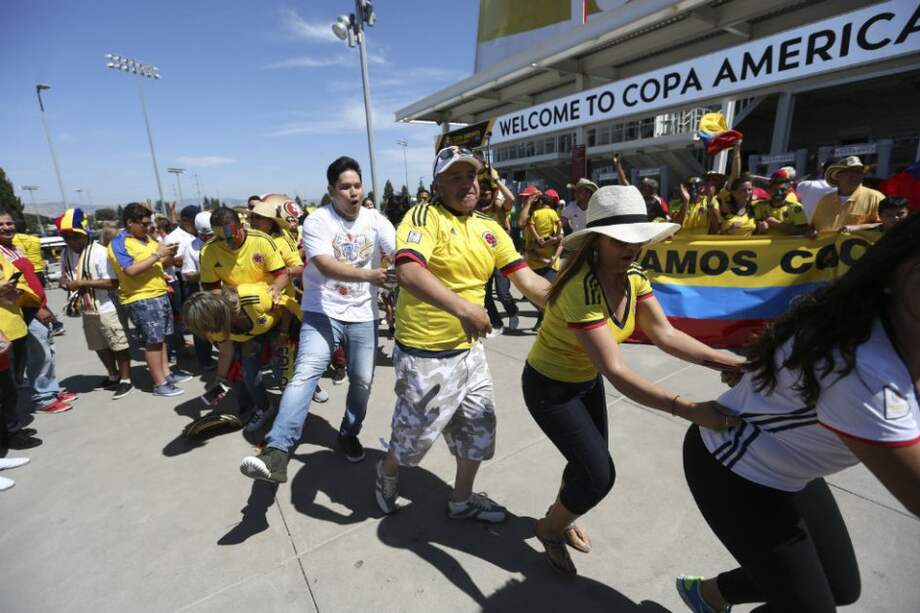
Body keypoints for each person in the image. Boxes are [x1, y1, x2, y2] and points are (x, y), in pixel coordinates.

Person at [677, 213, 920, 613]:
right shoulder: (861, 368)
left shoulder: (869, 324)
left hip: (788, 471)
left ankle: (707, 595)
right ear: (896, 271)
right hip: (732, 470)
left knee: (840, 589)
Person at [522, 185, 745, 576]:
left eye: (638, 238)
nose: (632, 248)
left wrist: (727, 362)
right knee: (599, 475)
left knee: (586, 466)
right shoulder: (582, 288)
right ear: (596, 241)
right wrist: (689, 409)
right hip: (550, 389)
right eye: (620, 240)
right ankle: (549, 529)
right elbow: (617, 371)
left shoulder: (635, 275)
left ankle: (559, 516)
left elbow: (666, 334)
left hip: (585, 381)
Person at [373, 145, 551, 522]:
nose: (467, 184)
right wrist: (465, 308)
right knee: (412, 442)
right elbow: (409, 272)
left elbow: (528, 280)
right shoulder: (424, 216)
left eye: (470, 175)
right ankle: (387, 472)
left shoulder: (489, 227)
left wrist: (569, 309)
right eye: (455, 177)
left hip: (470, 353)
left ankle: (461, 500)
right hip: (426, 355)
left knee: (479, 429)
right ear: (437, 184)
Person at [239, 156, 395, 482]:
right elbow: (324, 264)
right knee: (305, 374)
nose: (352, 193)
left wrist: (398, 264)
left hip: (363, 315)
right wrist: (370, 275)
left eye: (356, 186)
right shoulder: (318, 222)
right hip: (321, 311)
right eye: (344, 187)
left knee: (362, 381)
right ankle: (277, 451)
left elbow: (397, 253)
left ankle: (348, 433)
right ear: (331, 191)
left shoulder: (377, 220)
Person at [183, 283, 302, 437]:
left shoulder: (255, 298)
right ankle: (265, 409)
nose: (208, 334)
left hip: (281, 325)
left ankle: (294, 413)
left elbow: (288, 308)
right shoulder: (216, 328)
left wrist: (284, 335)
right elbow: (226, 351)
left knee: (284, 375)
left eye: (207, 328)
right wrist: (220, 380)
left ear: (219, 317)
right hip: (251, 337)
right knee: (249, 374)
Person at [109, 202, 189, 397]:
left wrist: (170, 254)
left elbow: (160, 263)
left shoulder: (147, 239)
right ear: (129, 222)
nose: (148, 227)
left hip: (159, 293)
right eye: (144, 224)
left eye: (149, 224)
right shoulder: (119, 243)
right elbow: (130, 270)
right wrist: (156, 255)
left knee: (160, 340)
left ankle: (166, 374)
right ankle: (159, 383)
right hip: (141, 298)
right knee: (152, 342)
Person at [0, 208, 75, 413]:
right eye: (1, 225)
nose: (7, 227)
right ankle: (44, 397)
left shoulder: (14, 247)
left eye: (9, 223)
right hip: (24, 309)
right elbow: (13, 287)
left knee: (48, 349)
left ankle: (51, 389)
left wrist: (43, 305)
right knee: (40, 353)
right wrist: (35, 309)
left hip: (36, 305)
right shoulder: (1, 253)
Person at [57, 208, 133, 400]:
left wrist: (82, 283)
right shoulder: (65, 253)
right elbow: (63, 277)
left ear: (83, 235)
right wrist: (64, 283)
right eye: (66, 237)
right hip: (87, 308)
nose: (70, 241)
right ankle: (113, 375)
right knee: (98, 345)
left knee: (118, 344)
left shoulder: (99, 252)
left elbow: (113, 283)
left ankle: (126, 379)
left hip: (106, 305)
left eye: (74, 236)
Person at [0, 250, 42, 455]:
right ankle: (8, 433)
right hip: (3, 329)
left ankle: (11, 428)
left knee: (10, 387)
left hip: (12, 324)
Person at [477, 174, 519, 334]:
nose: (484, 192)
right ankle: (497, 323)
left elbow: (511, 199)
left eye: (488, 189)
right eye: (481, 189)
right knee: (486, 296)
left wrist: (497, 181)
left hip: (500, 258)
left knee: (503, 293)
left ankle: (512, 312)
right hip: (482, 259)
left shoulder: (499, 209)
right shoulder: (473, 209)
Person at [176, 211, 216, 370]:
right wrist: (207, 274)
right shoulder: (191, 247)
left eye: (211, 235)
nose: (208, 238)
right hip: (202, 293)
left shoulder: (224, 242)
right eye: (205, 236)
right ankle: (205, 360)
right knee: (202, 330)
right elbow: (187, 274)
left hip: (224, 292)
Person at [162, 205, 200, 372]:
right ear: (185, 221)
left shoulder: (194, 234)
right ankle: (179, 349)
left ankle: (190, 347)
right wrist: (178, 259)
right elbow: (167, 261)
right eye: (194, 222)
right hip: (177, 281)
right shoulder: (174, 237)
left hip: (192, 280)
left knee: (194, 317)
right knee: (180, 318)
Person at [812, 156, 883, 233]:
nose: (855, 175)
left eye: (859, 172)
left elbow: (887, 225)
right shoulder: (825, 200)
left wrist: (858, 227)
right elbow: (813, 227)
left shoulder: (875, 197)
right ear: (838, 175)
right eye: (850, 171)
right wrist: (810, 232)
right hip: (825, 244)